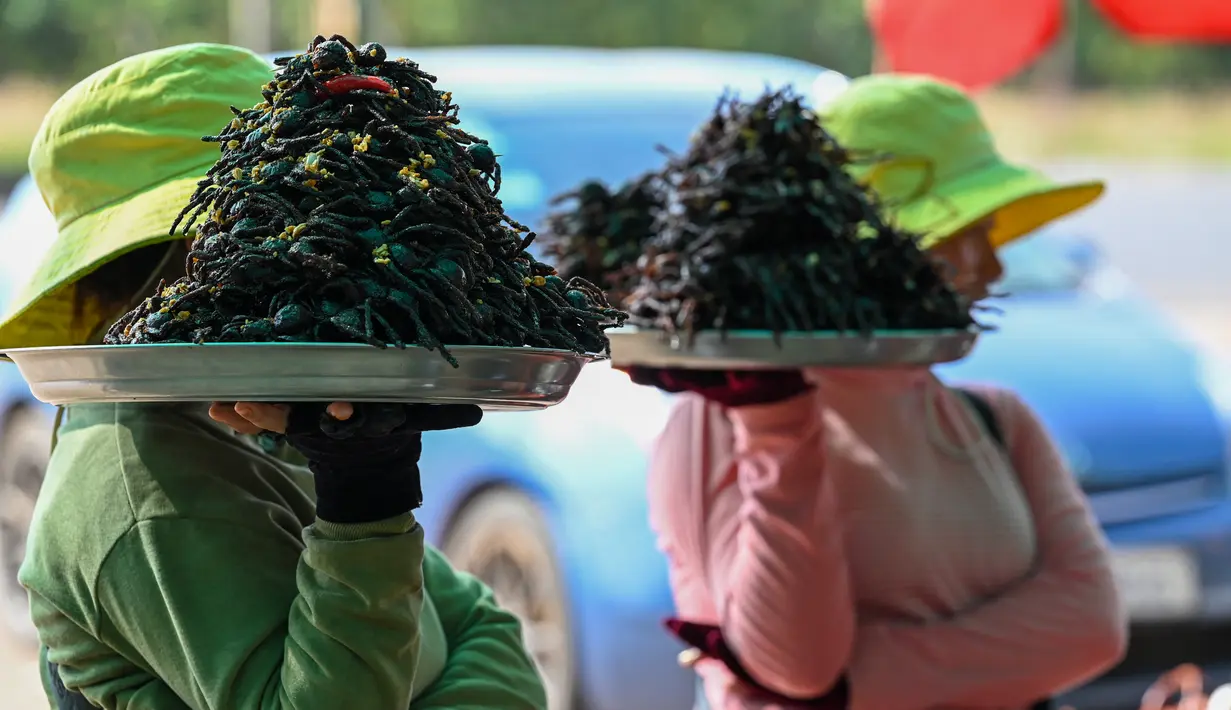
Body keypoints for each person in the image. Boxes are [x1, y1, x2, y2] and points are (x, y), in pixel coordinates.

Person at [0, 44, 546, 709]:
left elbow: (482, 627)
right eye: (268, 227)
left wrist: (367, 493)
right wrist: (361, 508)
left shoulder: (270, 425)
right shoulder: (145, 491)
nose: (326, 256)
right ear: (180, 255)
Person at [632, 74, 1126, 710]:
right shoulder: (722, 421)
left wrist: (858, 683)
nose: (994, 266)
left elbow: (1092, 626)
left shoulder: (996, 420)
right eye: (965, 232)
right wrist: (776, 422)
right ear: (874, 250)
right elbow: (797, 667)